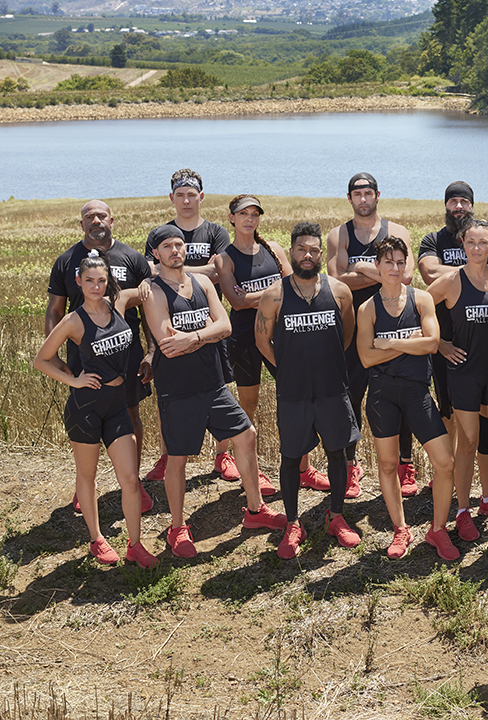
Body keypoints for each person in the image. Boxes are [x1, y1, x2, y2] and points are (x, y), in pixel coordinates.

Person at [141, 227, 286, 558]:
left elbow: (226, 326)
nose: (176, 250)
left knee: (246, 435)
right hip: (178, 389)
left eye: (179, 244)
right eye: (168, 246)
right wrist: (206, 334)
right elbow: (168, 342)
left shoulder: (203, 283)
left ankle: (255, 510)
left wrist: (193, 337)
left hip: (213, 383)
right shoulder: (153, 290)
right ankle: (177, 528)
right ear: (156, 254)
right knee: (177, 459)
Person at [33, 251, 158, 568]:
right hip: (85, 409)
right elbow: (41, 360)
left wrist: (153, 276)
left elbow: (147, 289)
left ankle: (135, 545)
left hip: (118, 406)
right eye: (89, 280)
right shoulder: (73, 321)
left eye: (102, 280)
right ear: (79, 281)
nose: (96, 285)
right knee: (87, 477)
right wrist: (73, 380)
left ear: (109, 282)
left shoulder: (117, 304)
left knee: (130, 479)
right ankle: (96, 539)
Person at [256, 222, 362, 560]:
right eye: (301, 249)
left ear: (321, 253)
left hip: (332, 389)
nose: (307, 255)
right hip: (294, 393)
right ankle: (292, 523)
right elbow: (262, 340)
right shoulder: (274, 294)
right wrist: (286, 370)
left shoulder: (340, 291)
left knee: (338, 453)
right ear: (291, 252)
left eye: (314, 250)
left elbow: (346, 335)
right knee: (290, 458)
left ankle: (336, 516)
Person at [355, 236, 460, 561]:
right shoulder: (367, 309)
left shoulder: (422, 300)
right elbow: (366, 358)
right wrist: (405, 342)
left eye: (401, 262)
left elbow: (431, 343)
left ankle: (438, 529)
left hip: (417, 391)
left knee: (445, 462)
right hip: (382, 395)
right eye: (389, 262)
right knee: (387, 465)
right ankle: (400, 528)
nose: (396, 268)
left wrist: (387, 344)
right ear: (378, 265)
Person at [216, 195, 329, 493]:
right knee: (248, 406)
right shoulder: (224, 258)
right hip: (244, 340)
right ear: (231, 218)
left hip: (281, 335)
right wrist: (273, 290)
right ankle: (237, 464)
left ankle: (304, 468)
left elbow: (295, 288)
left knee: (297, 400)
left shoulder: (273, 250)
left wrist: (259, 295)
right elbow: (237, 302)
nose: (249, 219)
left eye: (255, 214)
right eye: (243, 214)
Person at [143, 168, 237, 486]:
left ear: (201, 197)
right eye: (180, 195)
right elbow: (151, 272)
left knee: (220, 388)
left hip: (209, 324)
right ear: (172, 198)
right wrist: (196, 270)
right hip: (171, 324)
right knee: (170, 397)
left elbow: (218, 270)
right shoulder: (161, 232)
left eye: (191, 195)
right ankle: (169, 455)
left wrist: (175, 270)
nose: (186, 200)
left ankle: (222, 455)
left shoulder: (215, 232)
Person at [325, 172, 415, 499]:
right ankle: (351, 466)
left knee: (401, 394)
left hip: (393, 322)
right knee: (351, 396)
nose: (363, 199)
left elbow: (406, 277)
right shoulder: (339, 235)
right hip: (352, 327)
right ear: (349, 198)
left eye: (368, 193)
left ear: (378, 195)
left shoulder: (398, 232)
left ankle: (406, 465)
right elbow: (337, 280)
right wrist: (381, 275)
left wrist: (361, 269)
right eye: (357, 194)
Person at [426, 218, 488, 543]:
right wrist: (440, 344)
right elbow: (419, 307)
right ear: (463, 245)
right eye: (471, 243)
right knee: (467, 442)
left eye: (483, 242)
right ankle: (463, 510)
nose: (477, 248)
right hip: (463, 375)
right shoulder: (451, 281)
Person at [47, 201, 153, 477]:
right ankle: (86, 481)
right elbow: (55, 310)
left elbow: (147, 308)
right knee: (86, 415)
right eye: (89, 216)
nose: (95, 220)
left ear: (111, 220)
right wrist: (55, 356)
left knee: (130, 413)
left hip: (125, 351)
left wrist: (151, 351)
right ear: (81, 224)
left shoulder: (132, 257)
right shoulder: (66, 261)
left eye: (101, 216)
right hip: (83, 354)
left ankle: (132, 480)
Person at [417, 181, 488, 494]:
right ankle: (453, 484)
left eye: (464, 202)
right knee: (456, 424)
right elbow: (425, 286)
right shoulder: (434, 242)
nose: (458, 206)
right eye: (452, 201)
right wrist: (439, 343)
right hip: (454, 353)